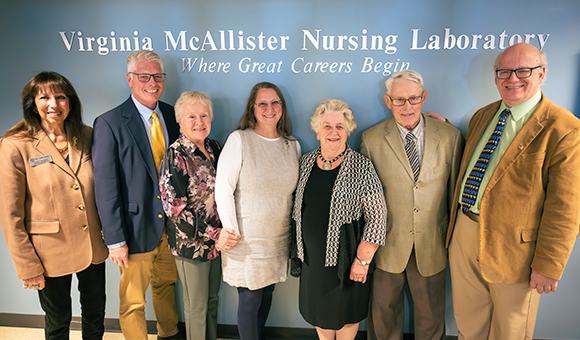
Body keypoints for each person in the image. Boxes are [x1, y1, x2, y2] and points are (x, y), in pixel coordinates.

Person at [446, 42, 580, 340]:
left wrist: (549, 264)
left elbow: (567, 208)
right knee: (469, 323)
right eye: (504, 71)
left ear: (541, 73)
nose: (512, 79)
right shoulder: (483, 115)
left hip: (516, 250)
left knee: (511, 331)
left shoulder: (564, 128)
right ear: (495, 76)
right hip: (465, 232)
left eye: (523, 70)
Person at [0, 71, 109, 339]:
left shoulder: (86, 135)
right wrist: (27, 265)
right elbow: (10, 214)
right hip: (48, 251)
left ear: (70, 103)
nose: (54, 104)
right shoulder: (15, 145)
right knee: (58, 320)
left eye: (60, 97)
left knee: (95, 314)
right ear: (32, 104)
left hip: (92, 245)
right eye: (44, 97)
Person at [360, 70, 464, 340]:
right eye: (399, 100)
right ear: (387, 100)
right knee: (383, 315)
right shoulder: (371, 140)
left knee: (431, 315)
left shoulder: (450, 136)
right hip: (386, 244)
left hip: (432, 242)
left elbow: (455, 192)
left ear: (424, 97)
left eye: (413, 99)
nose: (407, 106)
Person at [92, 50, 182, 340]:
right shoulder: (109, 123)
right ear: (130, 79)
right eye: (144, 76)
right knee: (133, 302)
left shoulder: (173, 114)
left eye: (157, 76)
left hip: (170, 228)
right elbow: (106, 187)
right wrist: (115, 240)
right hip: (133, 230)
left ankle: (169, 335)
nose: (152, 82)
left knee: (166, 287)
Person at [292, 99, 387, 340]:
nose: (333, 132)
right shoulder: (304, 162)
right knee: (321, 320)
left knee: (345, 320)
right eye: (327, 126)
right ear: (316, 131)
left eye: (340, 127)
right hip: (312, 264)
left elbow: (378, 217)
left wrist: (362, 261)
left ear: (348, 131)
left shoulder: (362, 166)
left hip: (347, 264)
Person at [215, 82, 301, 340]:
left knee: (266, 295)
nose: (269, 108)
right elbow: (223, 188)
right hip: (246, 239)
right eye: (262, 103)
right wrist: (230, 229)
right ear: (252, 108)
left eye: (275, 102)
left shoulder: (292, 145)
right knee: (250, 300)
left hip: (277, 238)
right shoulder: (239, 139)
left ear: (282, 107)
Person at [159, 91, 238, 340]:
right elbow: (174, 209)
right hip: (191, 244)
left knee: (213, 300)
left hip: (218, 242)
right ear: (180, 121)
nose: (199, 121)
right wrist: (214, 233)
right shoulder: (175, 155)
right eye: (191, 116)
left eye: (204, 115)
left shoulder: (215, 147)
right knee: (197, 305)